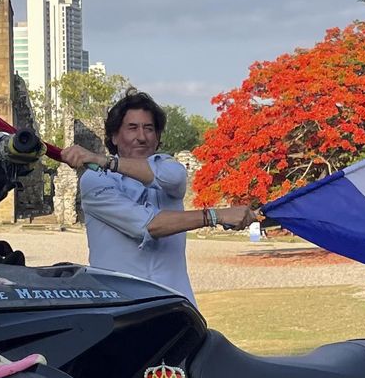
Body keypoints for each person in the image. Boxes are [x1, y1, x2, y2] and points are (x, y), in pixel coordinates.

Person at [61, 89, 257, 305]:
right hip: (121, 310)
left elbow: (171, 179)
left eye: (149, 129)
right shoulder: (95, 180)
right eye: (132, 128)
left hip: (175, 306)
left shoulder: (168, 167)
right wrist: (215, 216)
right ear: (114, 136)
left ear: (157, 138)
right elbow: (148, 225)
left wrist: (105, 161)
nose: (141, 137)